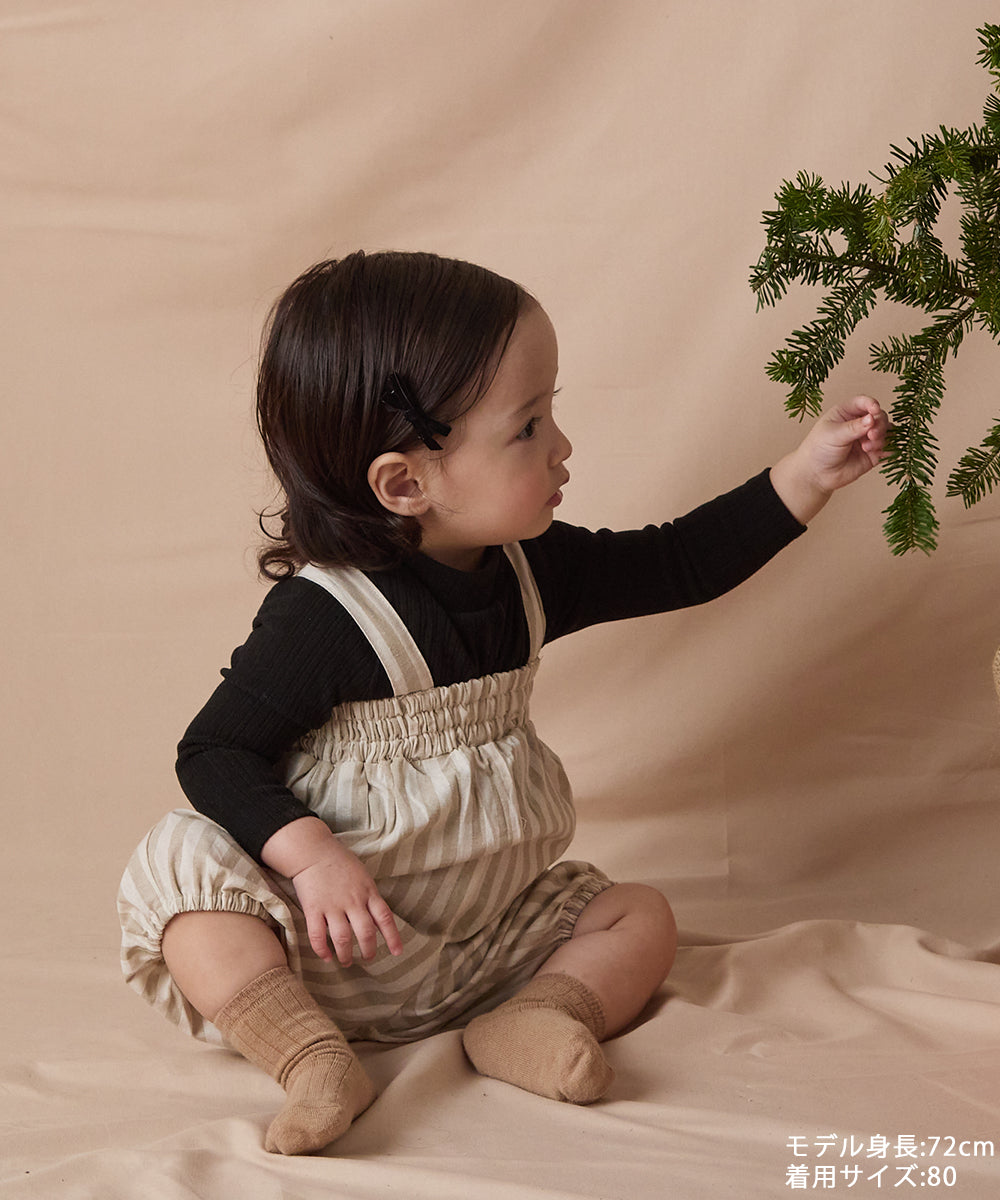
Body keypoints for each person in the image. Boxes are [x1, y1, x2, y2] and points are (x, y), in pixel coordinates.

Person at [117, 250, 888, 1156]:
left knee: (638, 914)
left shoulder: (534, 569)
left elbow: (679, 560)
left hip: (477, 944)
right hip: (319, 948)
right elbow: (216, 751)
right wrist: (314, 859)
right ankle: (308, 1056)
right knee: (183, 881)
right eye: (528, 427)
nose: (562, 446)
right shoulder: (327, 617)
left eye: (551, 413)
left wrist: (809, 471)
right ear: (406, 483)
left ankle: (529, 1018)